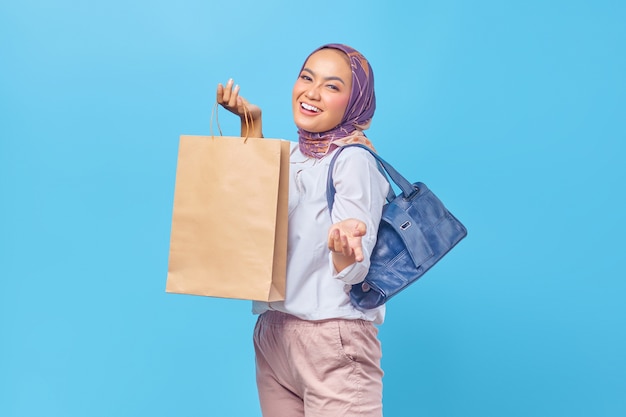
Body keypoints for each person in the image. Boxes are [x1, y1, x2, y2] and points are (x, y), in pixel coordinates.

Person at [217, 43, 389, 417]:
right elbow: (259, 220)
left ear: (354, 102)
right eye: (307, 77)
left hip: (332, 335)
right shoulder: (291, 155)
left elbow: (357, 272)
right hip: (273, 334)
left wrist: (346, 247)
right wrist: (252, 126)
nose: (312, 92)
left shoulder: (353, 161)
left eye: (331, 86)